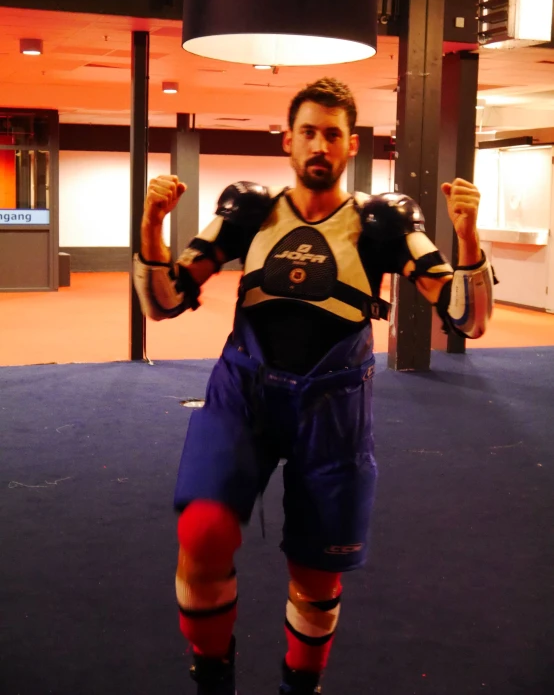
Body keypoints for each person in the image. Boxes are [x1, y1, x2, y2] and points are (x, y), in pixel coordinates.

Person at [133, 77, 495, 695]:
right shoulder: (248, 210)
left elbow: (468, 316)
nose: (319, 144)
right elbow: (162, 302)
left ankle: (300, 687)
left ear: (350, 144)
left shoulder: (383, 221)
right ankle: (213, 675)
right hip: (243, 393)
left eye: (332, 133)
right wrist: (151, 226)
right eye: (308, 132)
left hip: (335, 406)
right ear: (287, 141)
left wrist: (467, 237)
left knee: (318, 576)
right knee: (203, 532)